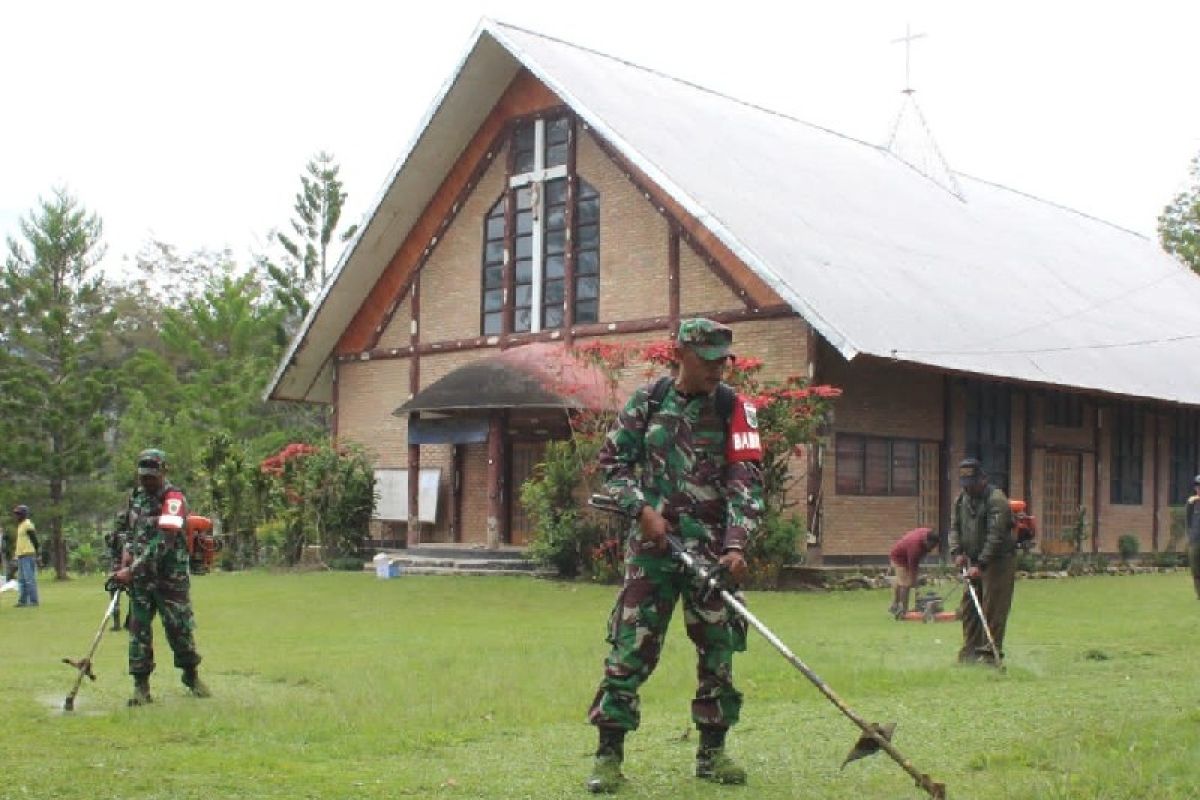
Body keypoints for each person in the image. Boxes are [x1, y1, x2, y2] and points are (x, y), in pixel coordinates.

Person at [585, 318, 764, 793]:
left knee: (719, 651)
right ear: (679, 354)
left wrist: (735, 545)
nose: (717, 370)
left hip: (711, 556)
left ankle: (713, 753)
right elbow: (612, 465)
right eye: (707, 361)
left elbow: (747, 484)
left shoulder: (735, 409)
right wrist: (640, 509)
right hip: (653, 551)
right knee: (630, 649)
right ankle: (608, 756)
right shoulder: (647, 402)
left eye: (724, 361)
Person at [108, 449, 210, 705]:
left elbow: (164, 541)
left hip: (169, 578)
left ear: (163, 472)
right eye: (143, 477)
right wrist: (123, 558)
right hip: (141, 581)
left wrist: (132, 569)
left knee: (179, 628)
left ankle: (191, 675)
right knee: (138, 631)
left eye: (152, 477)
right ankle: (140, 687)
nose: (146, 481)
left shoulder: (173, 499)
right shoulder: (136, 498)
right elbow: (124, 531)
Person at [948, 458, 1015, 665]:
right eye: (965, 484)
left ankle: (990, 654)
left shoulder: (997, 500)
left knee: (993, 607)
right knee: (969, 608)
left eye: (972, 484)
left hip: (997, 561)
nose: (968, 489)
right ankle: (970, 650)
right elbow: (954, 528)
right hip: (972, 560)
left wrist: (982, 564)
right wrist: (956, 551)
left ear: (983, 479)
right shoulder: (962, 500)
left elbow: (996, 536)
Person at [887, 526, 940, 616]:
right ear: (927, 541)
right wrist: (914, 582)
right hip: (899, 557)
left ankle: (895, 605)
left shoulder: (928, 534)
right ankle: (904, 610)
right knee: (906, 584)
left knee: (903, 582)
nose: (932, 549)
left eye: (934, 546)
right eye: (931, 546)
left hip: (907, 554)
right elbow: (913, 567)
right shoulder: (915, 546)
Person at [12, 505, 40, 607]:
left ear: (24, 514)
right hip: (21, 556)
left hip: (28, 555)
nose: (16, 516)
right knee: (21, 580)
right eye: (16, 514)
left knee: (29, 579)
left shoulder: (27, 524)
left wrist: (36, 553)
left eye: (18, 514)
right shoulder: (21, 525)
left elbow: (35, 540)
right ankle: (22, 601)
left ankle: (34, 601)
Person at [1186, 475, 1200, 599]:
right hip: (1195, 541)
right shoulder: (1192, 503)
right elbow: (1188, 521)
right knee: (1195, 570)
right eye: (1198, 486)